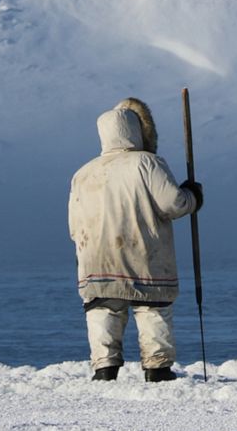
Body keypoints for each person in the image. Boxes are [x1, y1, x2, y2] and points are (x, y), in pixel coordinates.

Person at [67, 97, 204, 382]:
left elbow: (74, 225)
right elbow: (173, 204)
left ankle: (105, 370)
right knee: (152, 312)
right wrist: (193, 196)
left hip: (96, 259)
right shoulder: (147, 162)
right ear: (137, 129)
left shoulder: (82, 173)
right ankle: (157, 370)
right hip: (144, 256)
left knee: (103, 313)